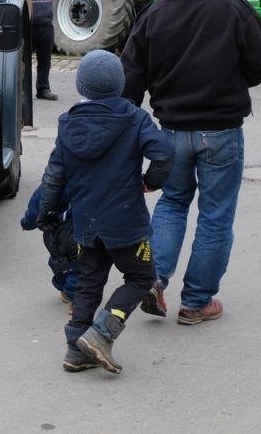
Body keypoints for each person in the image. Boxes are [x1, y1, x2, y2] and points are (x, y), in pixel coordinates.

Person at [120, 0, 261, 326]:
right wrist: (232, 81)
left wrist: (130, 129)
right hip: (222, 130)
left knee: (171, 204)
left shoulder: (155, 13)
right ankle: (197, 302)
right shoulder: (233, 7)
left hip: (171, 129)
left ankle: (154, 279)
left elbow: (131, 76)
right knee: (216, 216)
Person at [38, 50, 173, 374]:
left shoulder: (68, 123)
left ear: (81, 85)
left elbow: (54, 175)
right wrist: (150, 183)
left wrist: (46, 210)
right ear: (120, 84)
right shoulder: (133, 117)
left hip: (86, 221)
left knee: (88, 282)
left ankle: (75, 350)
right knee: (141, 277)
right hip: (126, 220)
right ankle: (103, 332)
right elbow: (165, 153)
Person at [19, 0, 97, 101]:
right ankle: (22, 90)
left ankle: (43, 89)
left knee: (45, 60)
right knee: (23, 61)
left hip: (46, 26)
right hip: (26, 26)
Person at [20, 185, 80, 309]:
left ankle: (63, 287)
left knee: (58, 262)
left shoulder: (45, 188)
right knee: (78, 265)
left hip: (52, 235)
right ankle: (75, 298)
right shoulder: (81, 180)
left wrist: (25, 224)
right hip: (76, 232)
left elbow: (34, 212)